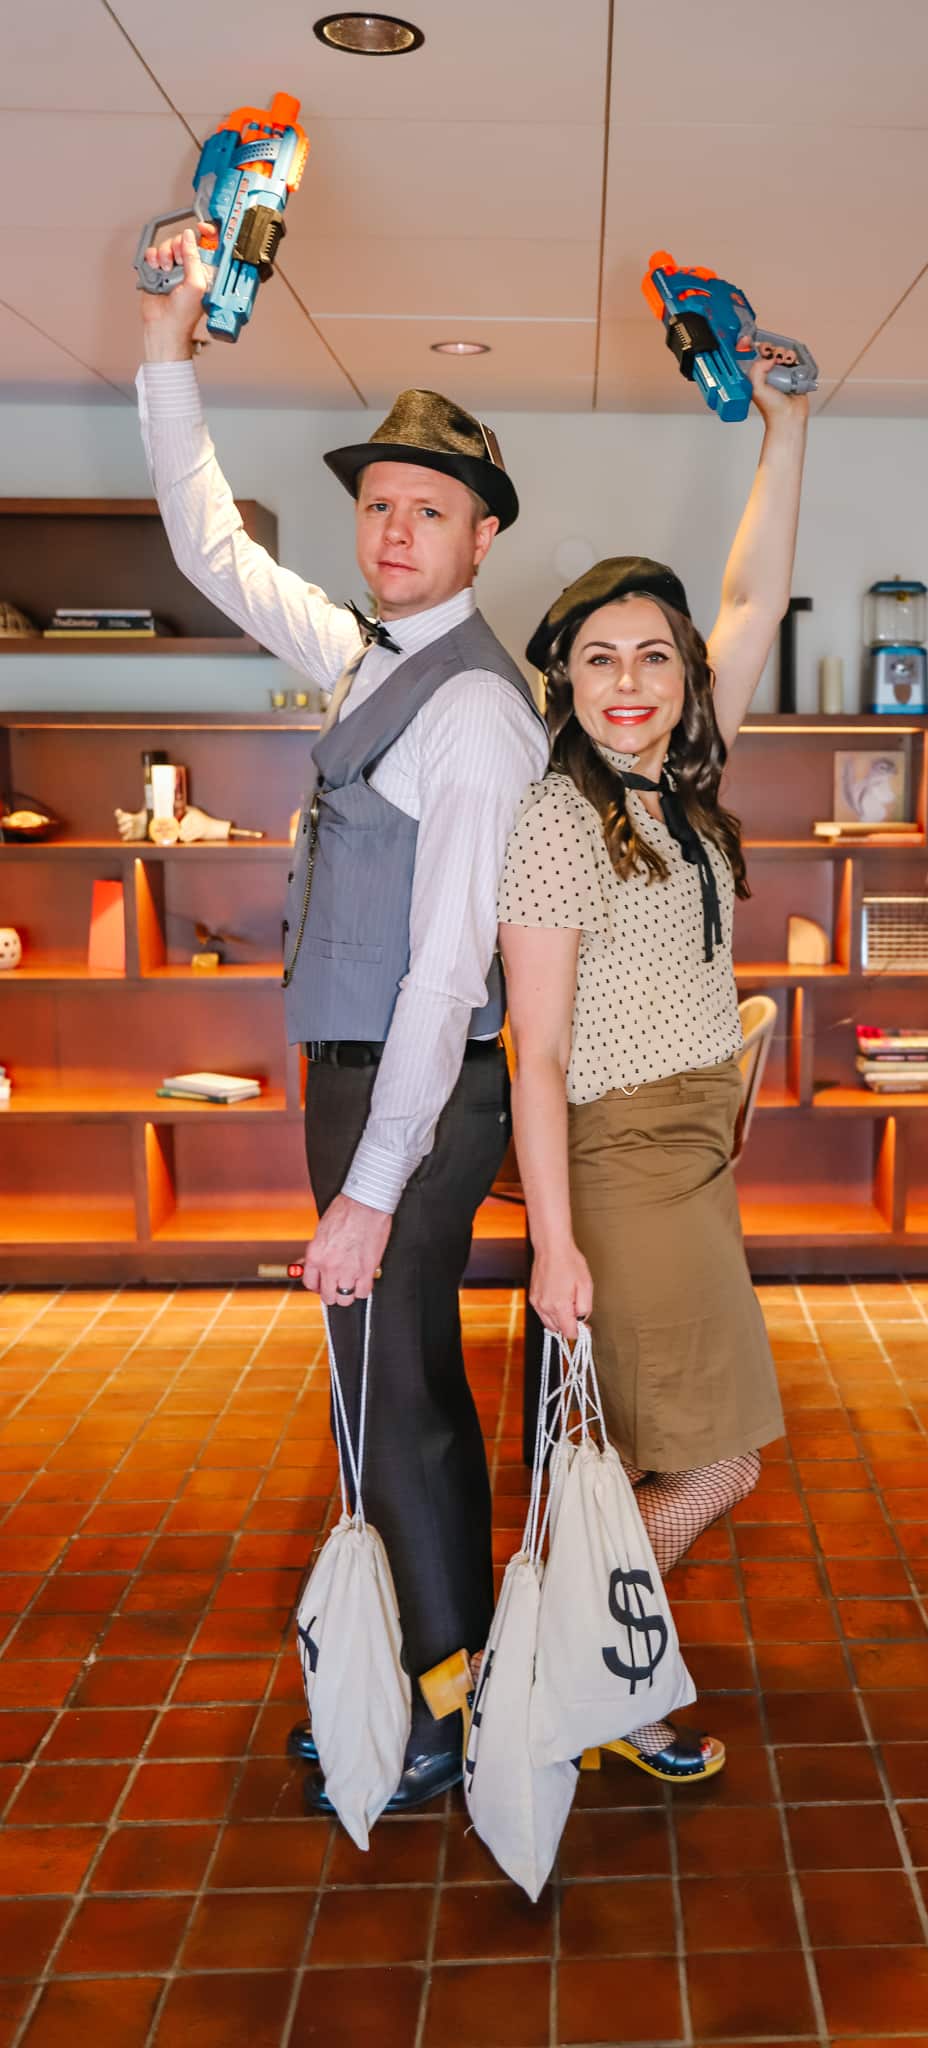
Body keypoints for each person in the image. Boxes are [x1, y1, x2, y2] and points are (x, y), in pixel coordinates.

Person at [138, 229, 548, 1815]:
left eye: (425, 510)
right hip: (363, 1079)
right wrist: (172, 344)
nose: (391, 528)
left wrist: (374, 1189)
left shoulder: (473, 715)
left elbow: (451, 973)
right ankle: (418, 1665)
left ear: (479, 537)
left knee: (400, 1386)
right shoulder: (373, 655)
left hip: (417, 1096)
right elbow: (210, 553)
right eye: (377, 504)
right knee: (381, 1382)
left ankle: (443, 1707)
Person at [497, 358, 807, 1780]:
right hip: (620, 1158)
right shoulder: (560, 819)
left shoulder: (683, 788)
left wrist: (787, 430)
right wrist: (555, 1242)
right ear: (565, 675)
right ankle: (579, 1662)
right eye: (599, 658)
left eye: (655, 657)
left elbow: (749, 600)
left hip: (689, 1149)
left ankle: (567, 1662)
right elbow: (537, 1045)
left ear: (684, 680)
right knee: (715, 1455)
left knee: (638, 1450)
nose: (628, 682)